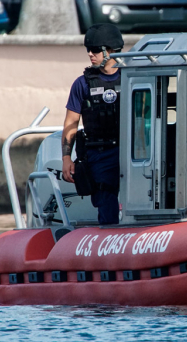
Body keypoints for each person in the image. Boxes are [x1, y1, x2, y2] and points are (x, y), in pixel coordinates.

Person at [62, 23, 124, 225]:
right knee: (105, 197)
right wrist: (66, 158)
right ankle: (109, 241)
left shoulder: (132, 76)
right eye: (88, 50)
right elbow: (71, 123)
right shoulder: (82, 83)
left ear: (111, 50)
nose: (90, 54)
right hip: (99, 152)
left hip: (131, 151)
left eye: (95, 50)